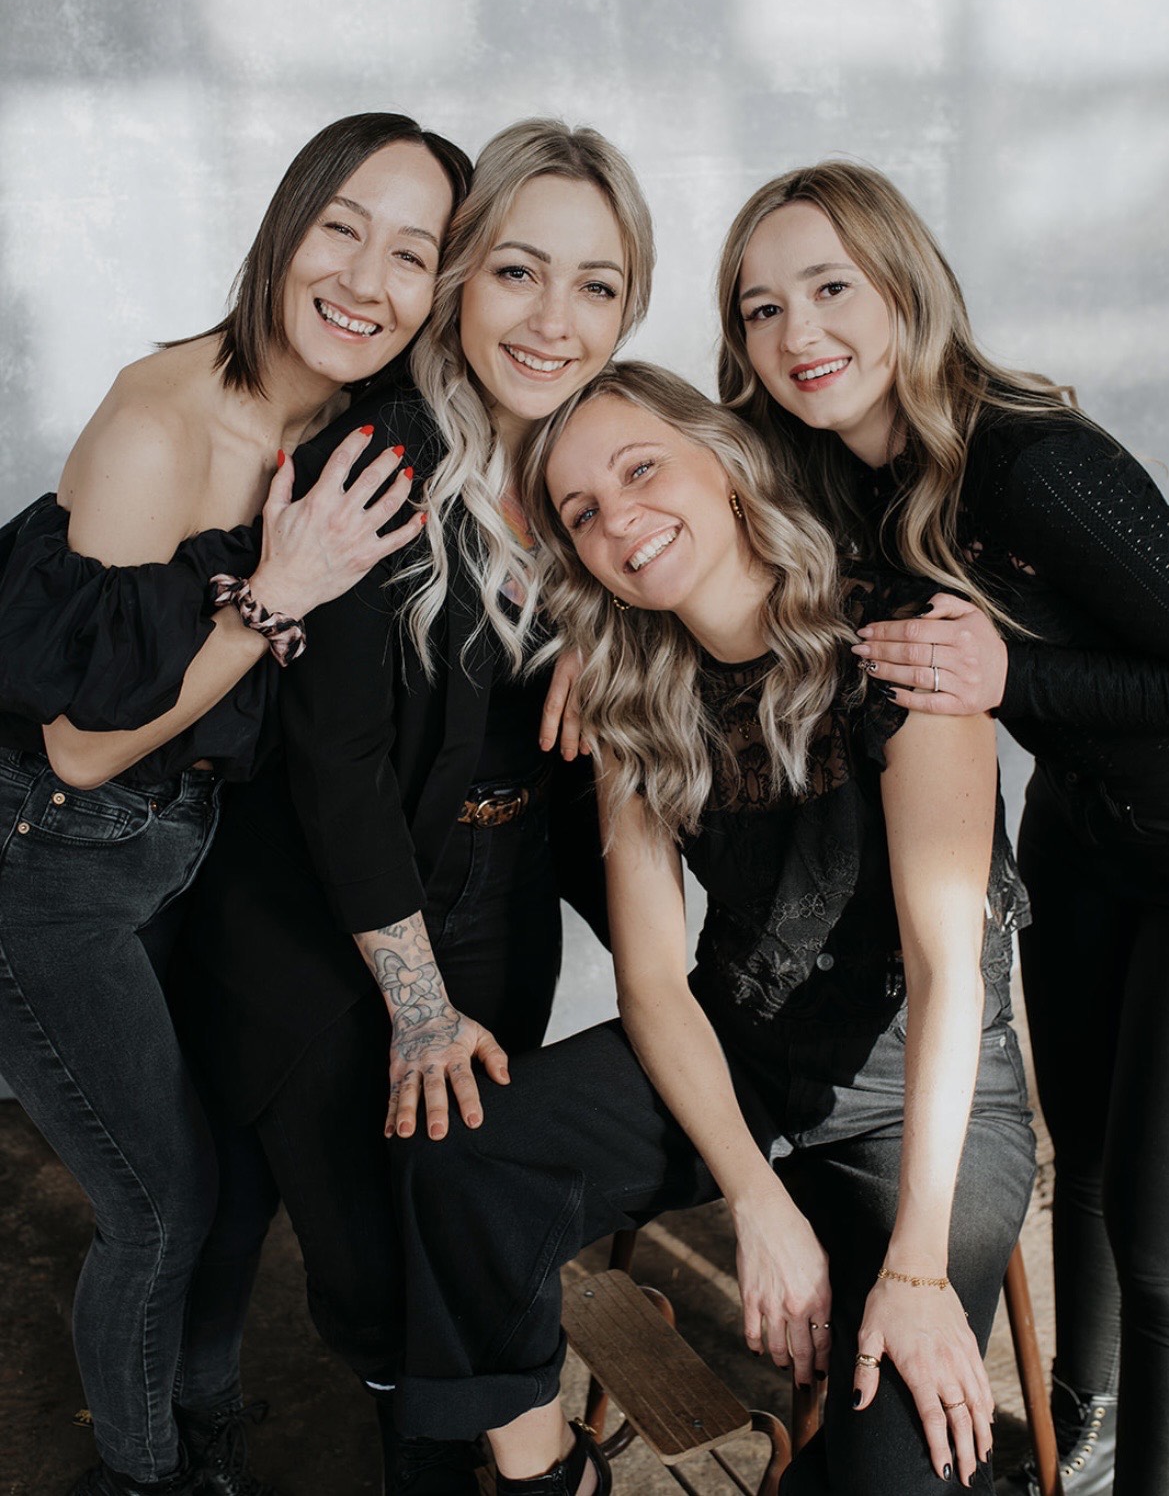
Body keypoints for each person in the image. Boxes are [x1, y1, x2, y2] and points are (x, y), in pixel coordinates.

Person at [383, 362, 1036, 1495]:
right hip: (745, 1056)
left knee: (902, 1469)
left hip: (919, 1098)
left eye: (641, 469)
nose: (620, 521)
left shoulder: (897, 642)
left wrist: (917, 1271)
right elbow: (650, 980)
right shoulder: (628, 688)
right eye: (582, 512)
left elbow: (945, 975)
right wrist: (755, 1198)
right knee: (463, 1152)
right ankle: (546, 1478)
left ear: (726, 462)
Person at [174, 117, 656, 1494]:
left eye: (596, 285)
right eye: (517, 271)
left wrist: (614, 637)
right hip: (330, 932)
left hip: (497, 905)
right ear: (458, 277)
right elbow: (333, 769)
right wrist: (420, 1008)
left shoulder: (591, 467)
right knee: (385, 1282)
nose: (554, 320)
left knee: (459, 1244)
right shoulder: (378, 459)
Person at [0, 110, 471, 1496]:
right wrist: (278, 595)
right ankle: (144, 1474)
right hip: (54, 857)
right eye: (341, 229)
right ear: (283, 226)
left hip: (185, 845)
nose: (366, 280)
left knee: (226, 1167)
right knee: (160, 1205)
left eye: (411, 254)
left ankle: (201, 1412)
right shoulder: (162, 423)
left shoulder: (347, 419)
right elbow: (81, 751)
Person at [715, 159, 1169, 1496]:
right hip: (1091, 834)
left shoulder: (1031, 465)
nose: (797, 333)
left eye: (829, 288)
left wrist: (1014, 677)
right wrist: (599, 646)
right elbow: (670, 514)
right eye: (759, 308)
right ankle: (1082, 1426)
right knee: (1085, 1157)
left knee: (1157, 1242)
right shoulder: (832, 473)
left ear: (904, 289)